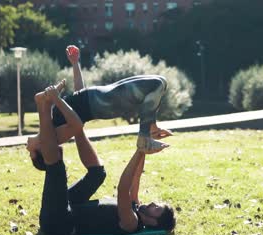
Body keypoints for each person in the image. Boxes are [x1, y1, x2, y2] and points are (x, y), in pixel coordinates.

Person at [35, 83, 176, 235]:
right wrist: (145, 143)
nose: (153, 204)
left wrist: (140, 149)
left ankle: (45, 107)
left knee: (57, 168)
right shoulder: (135, 206)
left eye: (156, 209)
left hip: (57, 222)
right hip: (70, 205)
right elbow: (136, 176)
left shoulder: (131, 223)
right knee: (98, 174)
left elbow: (123, 189)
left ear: (153, 222)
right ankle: (78, 130)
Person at [27, 45, 173, 158]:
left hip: (97, 97)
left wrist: (75, 63)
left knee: (161, 81)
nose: (26, 149)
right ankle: (144, 138)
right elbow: (77, 124)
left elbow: (79, 95)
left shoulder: (48, 127)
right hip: (101, 105)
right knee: (156, 84)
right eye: (30, 153)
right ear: (39, 150)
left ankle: (150, 128)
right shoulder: (54, 138)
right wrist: (56, 99)